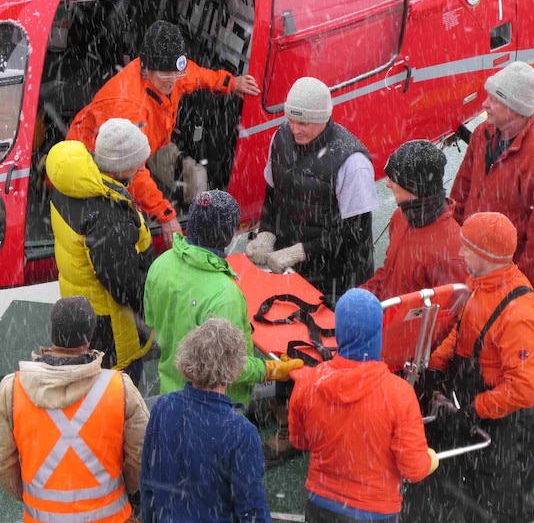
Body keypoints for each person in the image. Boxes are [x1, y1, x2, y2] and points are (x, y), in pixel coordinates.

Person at [449, 60, 534, 455]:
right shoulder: (484, 135)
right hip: (484, 270)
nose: (485, 105)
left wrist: (516, 294)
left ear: (514, 108)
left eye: (493, 100)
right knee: (488, 351)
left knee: (525, 360)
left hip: (519, 283)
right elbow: (463, 188)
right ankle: (493, 415)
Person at [67, 20, 260, 247]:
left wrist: (231, 82)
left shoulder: (171, 73)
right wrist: (166, 215)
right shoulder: (130, 108)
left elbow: (195, 76)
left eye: (177, 74)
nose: (173, 82)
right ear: (146, 70)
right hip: (91, 159)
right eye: (166, 76)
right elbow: (133, 171)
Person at [424, 212, 534, 523]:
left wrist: (475, 409)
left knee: (503, 507)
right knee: (473, 498)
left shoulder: (519, 313)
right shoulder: (481, 284)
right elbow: (463, 330)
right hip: (481, 417)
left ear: (485, 255)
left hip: (506, 429)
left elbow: (525, 389)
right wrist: (436, 363)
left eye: (467, 248)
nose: (460, 253)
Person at [0, 296, 149, 523]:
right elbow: (141, 454)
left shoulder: (13, 389)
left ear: (51, 331)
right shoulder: (119, 388)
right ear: (91, 335)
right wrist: (124, 488)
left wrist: (32, 495)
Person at [289, 288, 439, 523]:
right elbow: (414, 469)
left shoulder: (308, 382)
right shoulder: (399, 394)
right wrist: (430, 459)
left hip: (321, 506)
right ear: (378, 333)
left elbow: (299, 441)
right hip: (376, 512)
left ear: (338, 332)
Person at [144, 189, 303, 408]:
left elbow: (153, 321)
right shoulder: (225, 295)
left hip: (171, 394)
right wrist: (270, 370)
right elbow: (230, 368)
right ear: (228, 236)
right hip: (217, 407)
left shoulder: (160, 264)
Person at [244, 76, 376, 304]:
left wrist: (301, 251)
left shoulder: (353, 163)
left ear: (323, 119)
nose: (295, 129)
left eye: (303, 123)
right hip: (289, 270)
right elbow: (273, 196)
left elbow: (354, 235)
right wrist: (267, 233)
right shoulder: (280, 138)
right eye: (290, 120)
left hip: (337, 280)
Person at [47, 118, 155, 385]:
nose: (142, 166)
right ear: (120, 166)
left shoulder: (71, 187)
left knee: (92, 387)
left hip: (83, 307)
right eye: (138, 161)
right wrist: (151, 305)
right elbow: (123, 285)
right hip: (111, 326)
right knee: (120, 389)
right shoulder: (109, 216)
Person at [140, 318, 271, 523]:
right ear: (235, 368)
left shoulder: (163, 407)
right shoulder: (241, 433)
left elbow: (148, 485)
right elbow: (252, 513)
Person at [361, 139, 467, 300]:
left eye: (394, 179)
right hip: (385, 320)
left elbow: (449, 317)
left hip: (403, 323)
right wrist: (359, 297)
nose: (388, 184)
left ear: (413, 187)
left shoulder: (451, 253)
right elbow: (387, 273)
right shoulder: (400, 217)